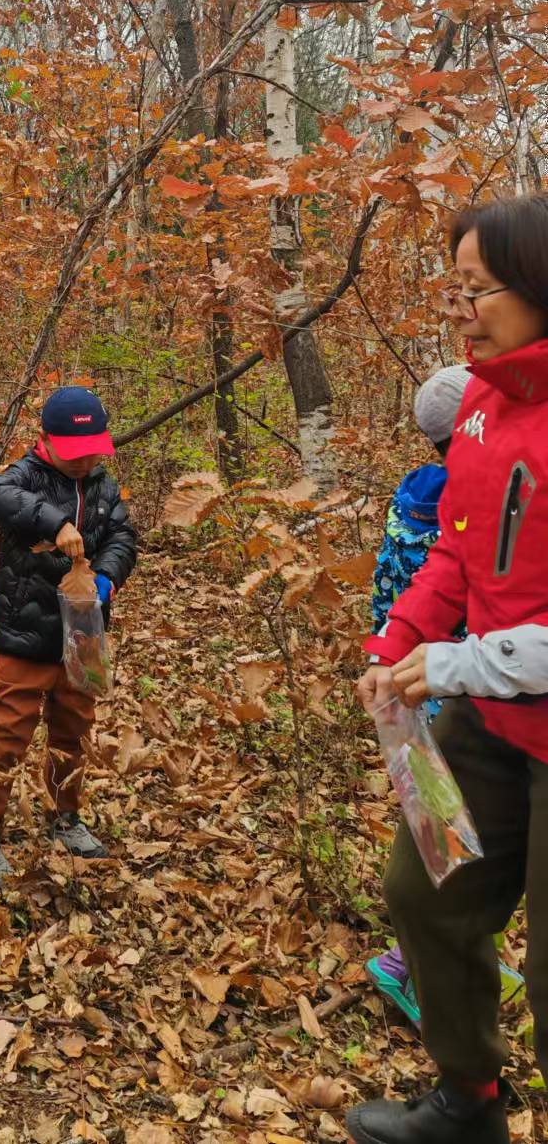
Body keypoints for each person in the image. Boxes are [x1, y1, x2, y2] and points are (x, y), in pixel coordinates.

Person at [349, 192, 548, 1144]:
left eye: (478, 291)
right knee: (425, 888)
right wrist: (395, 641)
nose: (459, 312)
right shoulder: (475, 402)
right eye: (453, 289)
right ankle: (467, 1101)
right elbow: (457, 552)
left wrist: (465, 660)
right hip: (487, 720)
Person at [0, 385, 137, 875]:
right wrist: (56, 523)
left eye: (92, 452)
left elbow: (123, 536)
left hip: (84, 632)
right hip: (26, 633)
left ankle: (66, 816)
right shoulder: (24, 476)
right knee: (5, 731)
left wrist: (107, 577)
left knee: (73, 729)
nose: (85, 462)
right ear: (46, 442)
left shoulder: (102, 486)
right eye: (75, 453)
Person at [365, 364, 470, 1022]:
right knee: (451, 844)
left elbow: (387, 592)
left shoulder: (409, 498)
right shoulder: (472, 506)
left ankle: (453, 956)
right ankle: (410, 967)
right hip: (455, 694)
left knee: (440, 835)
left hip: (402, 689)